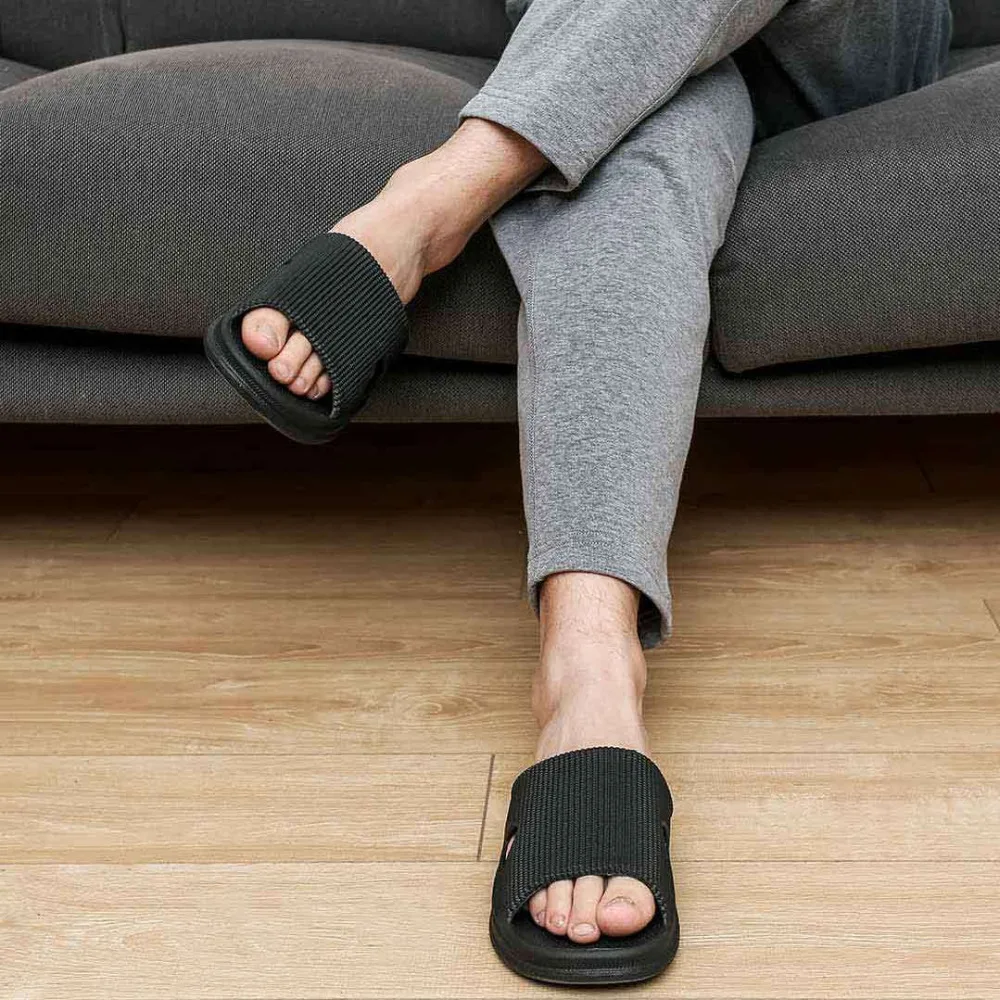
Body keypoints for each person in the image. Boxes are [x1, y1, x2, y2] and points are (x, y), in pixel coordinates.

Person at [207, 0, 953, 984]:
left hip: (837, 35)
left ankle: (435, 197)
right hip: (611, 38)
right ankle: (587, 672)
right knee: (633, 146)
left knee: (611, 95)